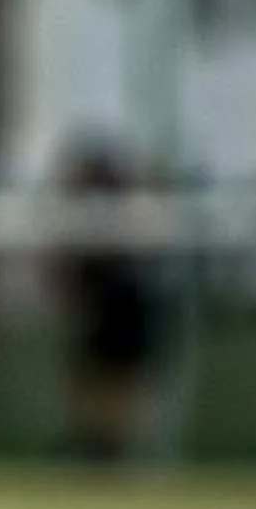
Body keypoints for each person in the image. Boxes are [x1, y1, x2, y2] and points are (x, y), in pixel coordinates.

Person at [55, 142, 168, 463]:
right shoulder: (81, 209)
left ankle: (120, 445)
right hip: (99, 304)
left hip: (127, 303)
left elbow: (149, 245)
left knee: (126, 379)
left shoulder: (135, 207)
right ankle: (90, 442)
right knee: (89, 377)